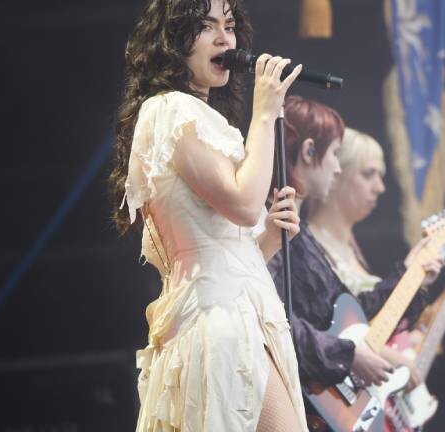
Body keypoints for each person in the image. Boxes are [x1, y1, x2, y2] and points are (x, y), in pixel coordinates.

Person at [108, 0, 307, 430]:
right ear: (175, 40)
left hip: (236, 315)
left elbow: (229, 243)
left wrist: (269, 237)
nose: (224, 39)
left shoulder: (198, 115)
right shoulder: (169, 110)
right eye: (207, 27)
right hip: (220, 324)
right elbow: (242, 202)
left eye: (230, 26)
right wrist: (266, 112)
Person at [267, 97, 443, 397]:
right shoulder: (270, 228)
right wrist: (347, 355)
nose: (335, 167)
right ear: (309, 151)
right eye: (335, 153)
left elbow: (350, 313)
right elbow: (269, 321)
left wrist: (409, 275)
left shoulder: (300, 235)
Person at [306, 128, 445, 430]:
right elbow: (324, 328)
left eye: (380, 176)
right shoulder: (312, 249)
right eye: (368, 174)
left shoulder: (352, 248)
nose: (380, 187)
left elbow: (369, 324)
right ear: (338, 171)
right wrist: (393, 357)